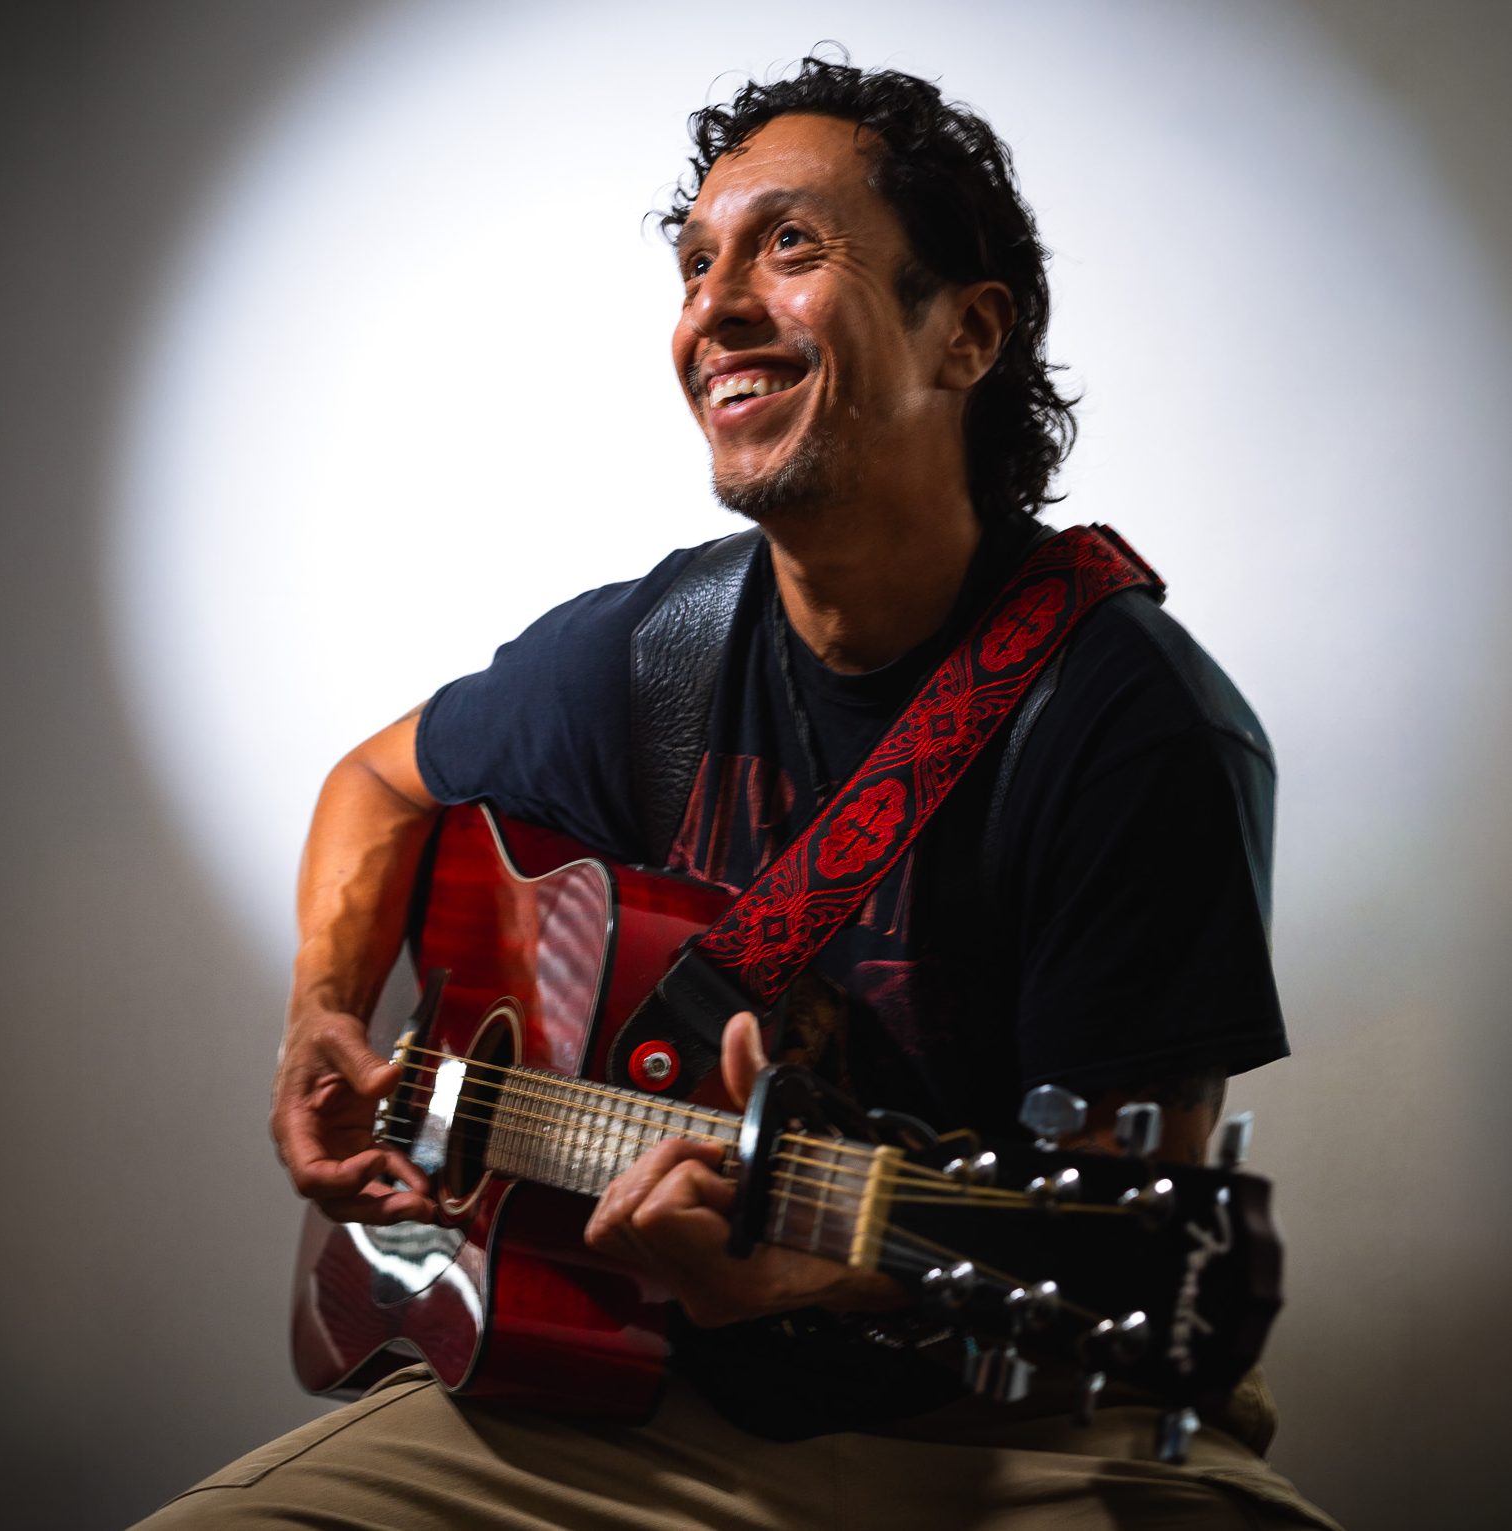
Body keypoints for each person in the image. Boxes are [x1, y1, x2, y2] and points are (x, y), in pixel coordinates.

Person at [137, 54, 1340, 1531]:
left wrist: (809, 1261)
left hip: (1019, 1408)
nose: (712, 306)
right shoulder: (652, 653)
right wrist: (319, 1015)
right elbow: (375, 785)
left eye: (788, 245)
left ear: (964, 334)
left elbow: (1104, 1224)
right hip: (642, 1393)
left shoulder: (1125, 721)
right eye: (695, 261)